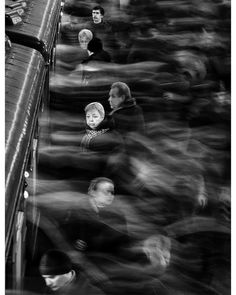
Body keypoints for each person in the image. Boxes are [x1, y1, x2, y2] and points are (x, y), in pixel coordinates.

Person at [39, 249, 105, 294]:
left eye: (52, 277)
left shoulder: (93, 293)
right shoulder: (49, 291)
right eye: (45, 278)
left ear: (67, 273)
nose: (48, 283)